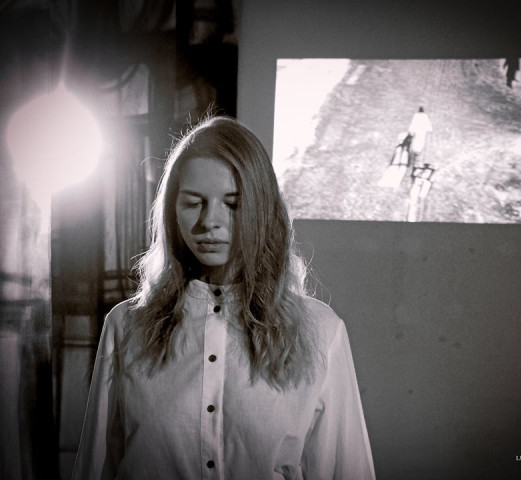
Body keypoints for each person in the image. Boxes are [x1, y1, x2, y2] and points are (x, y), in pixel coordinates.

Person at [72, 116, 376, 479]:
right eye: (193, 203)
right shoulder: (126, 325)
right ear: (172, 210)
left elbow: (347, 469)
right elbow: (96, 467)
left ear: (262, 210)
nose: (209, 222)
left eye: (232, 204)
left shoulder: (321, 331)